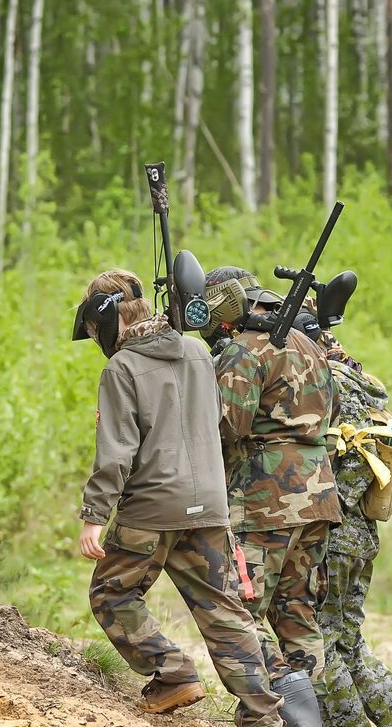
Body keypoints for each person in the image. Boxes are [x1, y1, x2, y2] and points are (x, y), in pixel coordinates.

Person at [73, 268, 283, 726]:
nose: (94, 338)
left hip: (151, 508)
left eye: (92, 329)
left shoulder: (121, 368)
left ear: (105, 320)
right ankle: (263, 715)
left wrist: (94, 514)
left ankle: (172, 674)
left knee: (112, 593)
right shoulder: (197, 351)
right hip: (209, 504)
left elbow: (116, 452)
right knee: (224, 610)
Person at [205, 265, 341, 726]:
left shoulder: (245, 350)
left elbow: (226, 427)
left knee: (240, 611)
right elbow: (331, 412)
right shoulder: (308, 343)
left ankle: (280, 709)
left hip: (265, 498)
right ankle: (311, 712)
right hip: (319, 493)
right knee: (299, 610)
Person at [316, 330, 392, 727]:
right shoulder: (363, 383)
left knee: (322, 644)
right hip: (361, 532)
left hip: (335, 532)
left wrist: (330, 508)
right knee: (349, 643)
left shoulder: (328, 380)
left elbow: (342, 454)